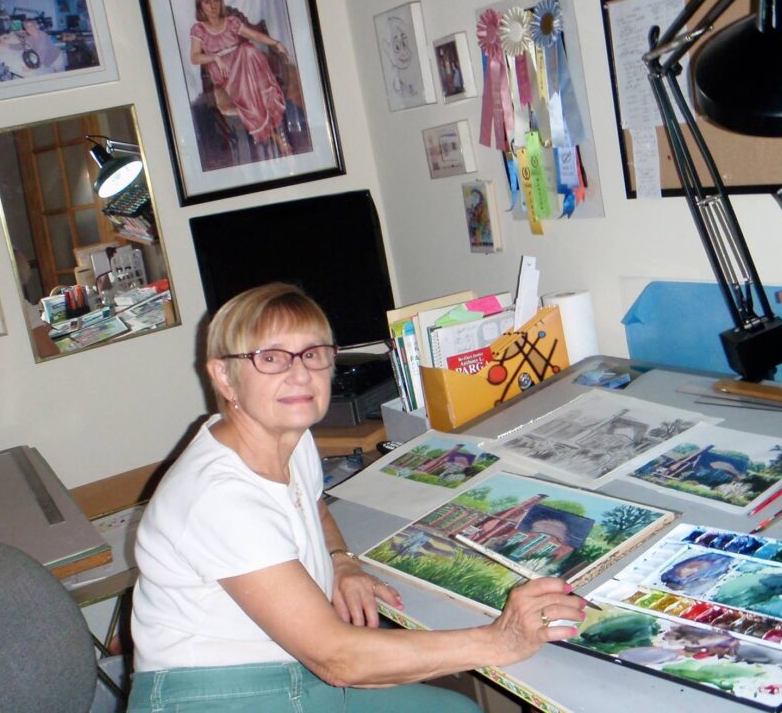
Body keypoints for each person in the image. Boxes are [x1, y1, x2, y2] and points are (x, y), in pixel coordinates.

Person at [129, 282, 586, 712]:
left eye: (313, 354)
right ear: (225, 378)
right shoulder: (218, 497)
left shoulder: (287, 435)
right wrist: (501, 640)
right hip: (217, 694)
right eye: (271, 358)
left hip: (294, 664)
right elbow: (338, 659)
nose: (300, 374)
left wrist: (340, 561)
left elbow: (311, 503)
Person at [189, 0, 293, 157]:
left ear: (220, 1)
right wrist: (215, 58)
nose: (213, 5)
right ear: (200, 6)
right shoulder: (198, 29)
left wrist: (276, 43)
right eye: (207, 1)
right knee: (247, 52)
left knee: (248, 49)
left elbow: (254, 35)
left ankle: (272, 132)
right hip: (225, 74)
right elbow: (194, 57)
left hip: (247, 68)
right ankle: (275, 136)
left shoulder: (231, 22)